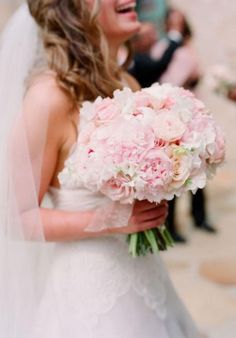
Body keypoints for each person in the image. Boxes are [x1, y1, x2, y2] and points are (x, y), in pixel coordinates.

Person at [0, 1, 201, 337]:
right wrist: (107, 220)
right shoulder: (50, 97)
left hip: (145, 274)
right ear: (73, 8)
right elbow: (14, 217)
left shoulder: (126, 82)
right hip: (91, 290)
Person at [152, 9, 217, 242]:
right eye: (172, 21)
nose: (176, 25)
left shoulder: (189, 47)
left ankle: (200, 217)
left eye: (179, 21)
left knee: (199, 167)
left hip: (194, 111)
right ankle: (171, 225)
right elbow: (160, 76)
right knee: (177, 169)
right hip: (172, 115)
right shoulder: (162, 48)